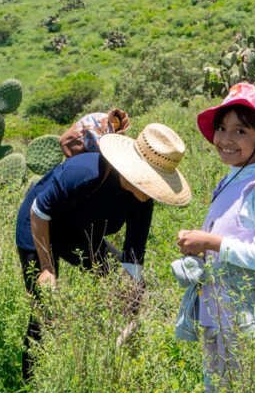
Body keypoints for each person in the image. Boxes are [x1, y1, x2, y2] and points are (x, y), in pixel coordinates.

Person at [16, 122, 192, 379]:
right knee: (45, 309)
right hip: (39, 226)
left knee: (118, 285)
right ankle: (30, 387)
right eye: (152, 181)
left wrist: (130, 310)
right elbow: (39, 211)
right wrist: (47, 268)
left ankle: (104, 358)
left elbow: (133, 259)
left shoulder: (143, 201)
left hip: (83, 233)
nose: (152, 190)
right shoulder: (85, 172)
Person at [174, 82, 255, 393]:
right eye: (222, 128)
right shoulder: (230, 180)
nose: (226, 139)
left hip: (245, 320)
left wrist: (212, 242)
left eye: (241, 131)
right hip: (217, 314)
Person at [58, 108, 131, 157]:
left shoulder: (108, 131)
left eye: (117, 122)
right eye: (114, 121)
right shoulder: (101, 119)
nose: (114, 123)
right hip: (76, 142)